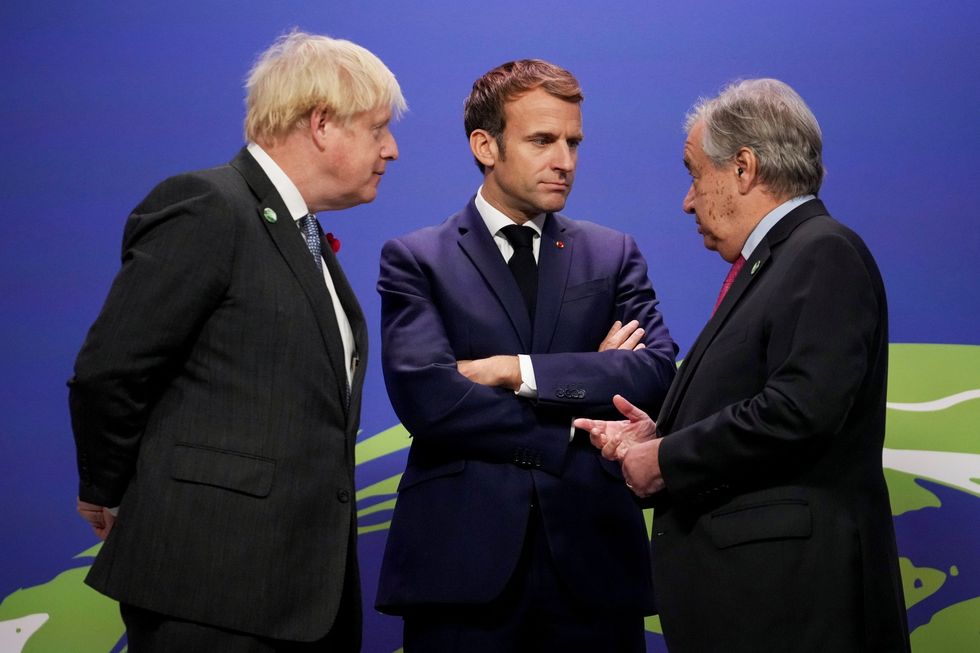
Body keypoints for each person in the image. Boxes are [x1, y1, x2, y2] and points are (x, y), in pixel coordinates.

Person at [68, 31, 405, 651]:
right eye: (378, 128)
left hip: (297, 595)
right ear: (323, 123)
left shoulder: (300, 235)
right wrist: (106, 490)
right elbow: (112, 369)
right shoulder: (208, 206)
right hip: (212, 589)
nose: (392, 149)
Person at [576, 78, 910, 652]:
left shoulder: (823, 252)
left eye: (694, 172)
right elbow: (764, 405)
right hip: (759, 607)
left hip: (794, 610)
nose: (687, 200)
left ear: (744, 168)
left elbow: (800, 410)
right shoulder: (776, 264)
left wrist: (667, 458)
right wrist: (657, 437)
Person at [374, 59, 677, 652]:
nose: (564, 160)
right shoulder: (416, 258)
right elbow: (429, 399)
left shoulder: (611, 254)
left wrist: (519, 371)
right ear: (485, 145)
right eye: (542, 140)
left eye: (573, 142)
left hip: (594, 566)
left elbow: (655, 373)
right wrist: (576, 417)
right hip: (461, 569)